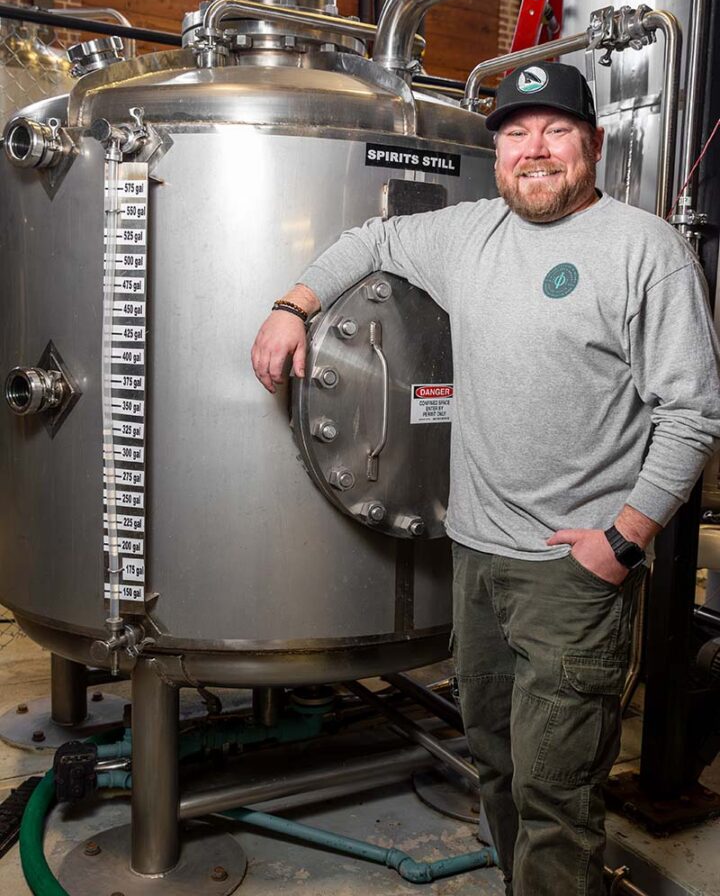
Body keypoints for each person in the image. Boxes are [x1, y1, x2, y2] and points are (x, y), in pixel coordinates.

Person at [251, 61, 720, 896]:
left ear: (594, 145)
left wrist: (625, 537)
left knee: (556, 791)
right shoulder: (469, 235)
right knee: (499, 768)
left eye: (555, 132)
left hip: (574, 574)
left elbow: (691, 413)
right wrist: (293, 306)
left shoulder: (646, 250)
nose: (533, 150)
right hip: (476, 560)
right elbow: (371, 240)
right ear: (496, 150)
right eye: (514, 134)